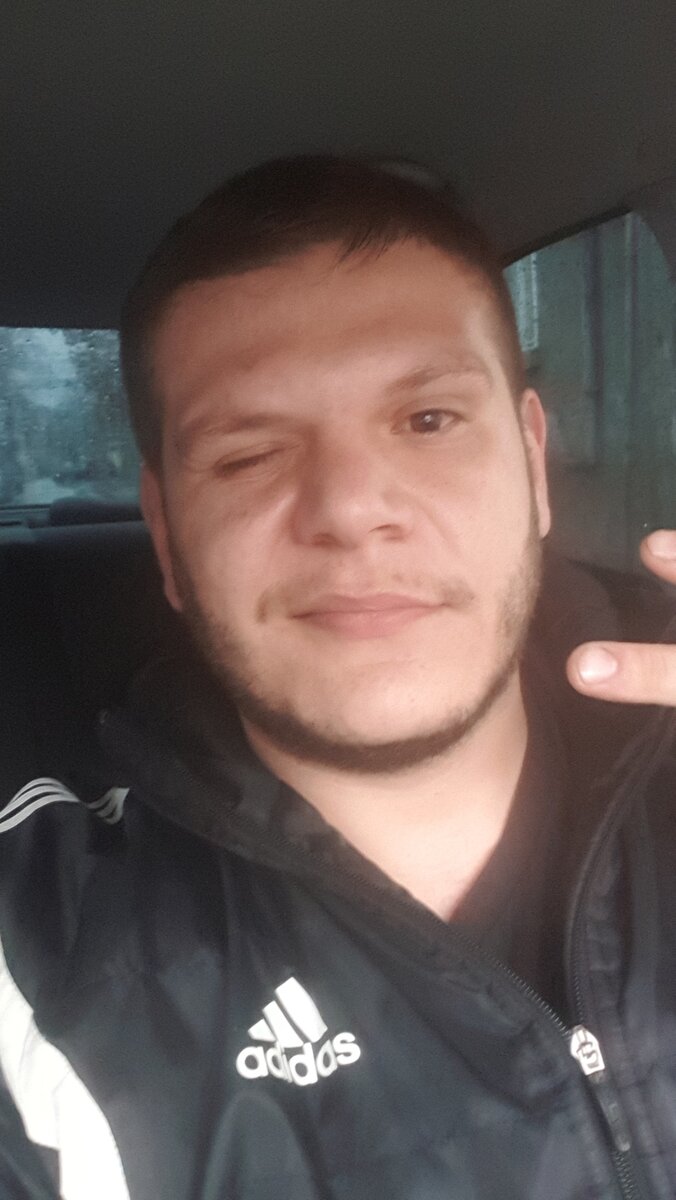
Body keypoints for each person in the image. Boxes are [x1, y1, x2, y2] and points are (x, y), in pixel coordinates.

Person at [2, 155, 676, 1200]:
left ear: (533, 465)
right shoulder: (39, 966)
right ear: (168, 538)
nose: (353, 509)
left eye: (428, 420)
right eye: (248, 454)